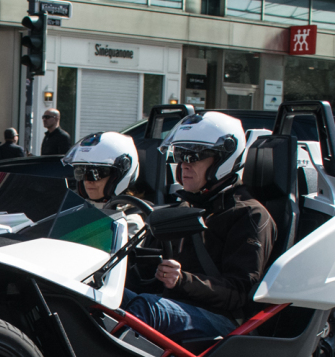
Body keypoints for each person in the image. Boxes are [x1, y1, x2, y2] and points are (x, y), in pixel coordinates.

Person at [122, 112, 275, 340]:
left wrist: (182, 280)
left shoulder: (249, 214)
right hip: (175, 305)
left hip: (223, 320)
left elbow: (239, 293)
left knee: (146, 307)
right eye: (180, 155)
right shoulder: (184, 207)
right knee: (100, 296)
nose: (183, 164)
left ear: (223, 158)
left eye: (193, 156)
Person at [62, 131, 140, 203]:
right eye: (81, 172)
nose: (87, 181)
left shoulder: (130, 217)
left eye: (97, 173)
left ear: (120, 174)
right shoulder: (78, 210)